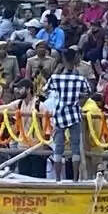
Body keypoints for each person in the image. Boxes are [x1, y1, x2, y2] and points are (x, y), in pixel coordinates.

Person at [45, 47, 91, 182]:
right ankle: (75, 179)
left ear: (63, 60)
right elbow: (88, 92)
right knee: (75, 147)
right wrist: (78, 98)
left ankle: (58, 179)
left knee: (58, 147)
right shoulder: (80, 79)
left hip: (60, 113)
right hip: (75, 113)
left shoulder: (55, 78)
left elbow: (45, 90)